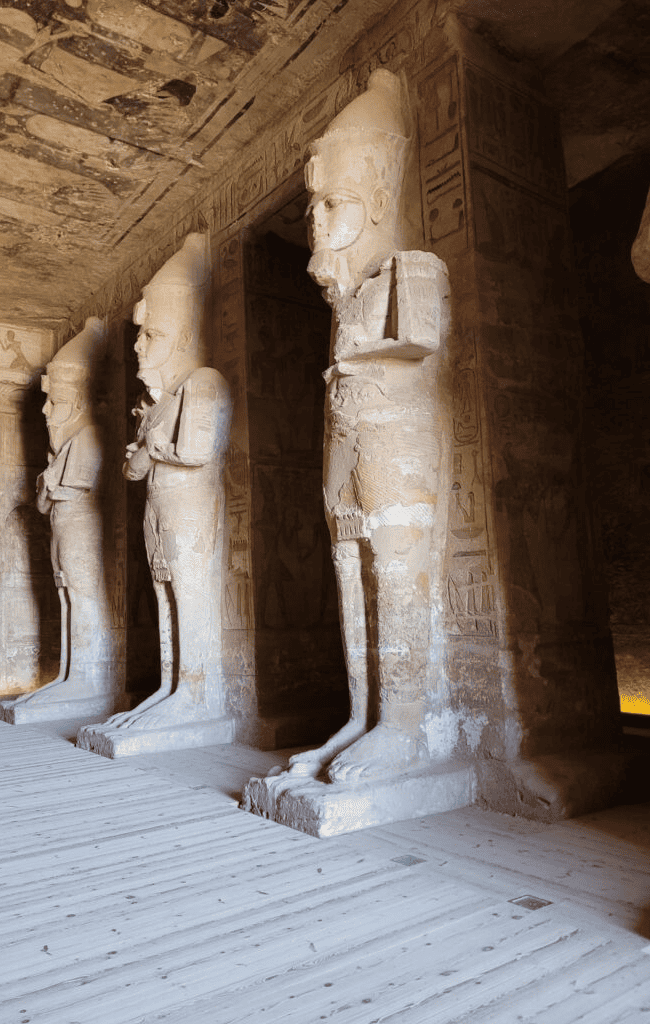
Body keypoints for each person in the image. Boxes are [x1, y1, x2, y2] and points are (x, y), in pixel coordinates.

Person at [288, 69, 450, 783]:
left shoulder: (410, 267)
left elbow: (422, 339)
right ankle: (361, 717)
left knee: (394, 570)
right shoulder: (346, 295)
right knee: (347, 570)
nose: (319, 224)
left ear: (381, 200)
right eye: (313, 210)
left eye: (336, 205)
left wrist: (356, 353)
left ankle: (405, 725)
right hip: (347, 437)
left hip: (396, 437)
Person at [102, 233, 232, 731]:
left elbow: (196, 452)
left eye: (149, 335)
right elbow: (132, 470)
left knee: (191, 596)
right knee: (163, 594)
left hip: (191, 513)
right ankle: (170, 688)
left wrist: (151, 448)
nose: (138, 345)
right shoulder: (158, 404)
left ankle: (196, 693)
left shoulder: (202, 384)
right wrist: (146, 452)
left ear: (179, 337)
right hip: (159, 511)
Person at [6, 317, 113, 709]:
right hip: (61, 526)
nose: (48, 412)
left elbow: (67, 488)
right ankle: (68, 674)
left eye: (57, 402)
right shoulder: (64, 448)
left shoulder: (86, 438)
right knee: (64, 595)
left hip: (80, 527)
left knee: (81, 597)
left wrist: (50, 484)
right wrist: (50, 486)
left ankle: (85, 675)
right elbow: (42, 501)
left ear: (80, 403)